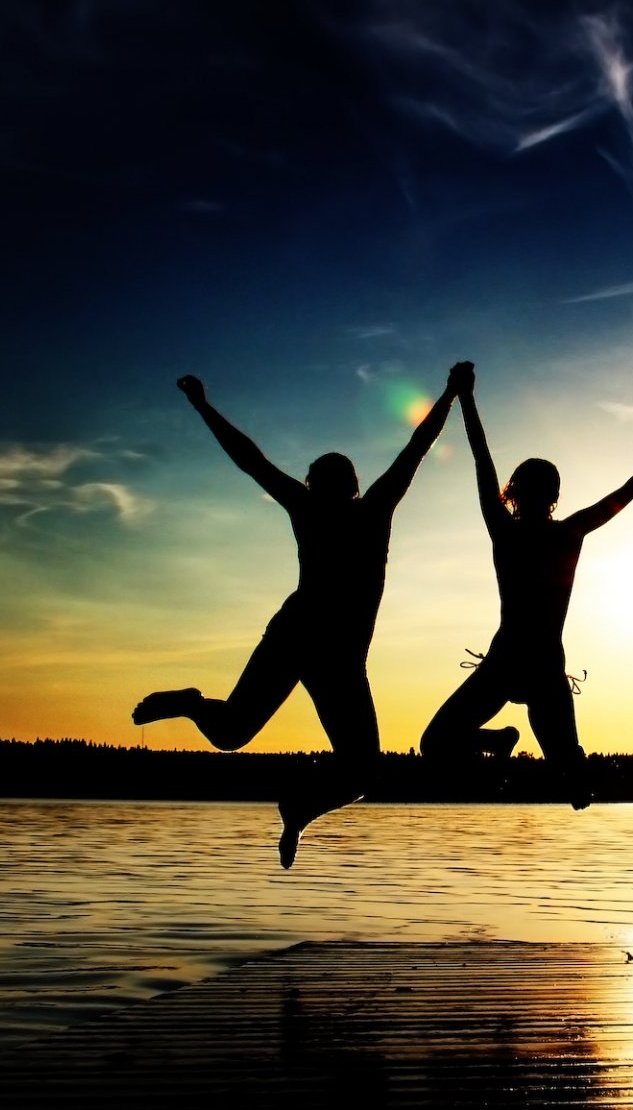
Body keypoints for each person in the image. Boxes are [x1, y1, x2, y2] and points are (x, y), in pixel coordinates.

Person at [134, 362, 470, 867]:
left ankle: (296, 810)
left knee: (261, 743)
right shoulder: (342, 508)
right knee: (275, 747)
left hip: (329, 654)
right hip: (306, 643)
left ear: (336, 486)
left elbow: (413, 448)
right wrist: (451, 393)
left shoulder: (348, 509)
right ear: (332, 486)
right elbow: (255, 460)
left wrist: (202, 405)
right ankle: (196, 709)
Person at [420, 380, 633, 807]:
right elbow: (632, 488)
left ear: (514, 492)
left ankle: (503, 745)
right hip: (537, 665)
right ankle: (512, 748)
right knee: (573, 784)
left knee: (438, 744)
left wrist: (467, 397)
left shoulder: (507, 530)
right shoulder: (567, 533)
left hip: (513, 662)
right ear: (554, 496)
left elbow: (482, 457)